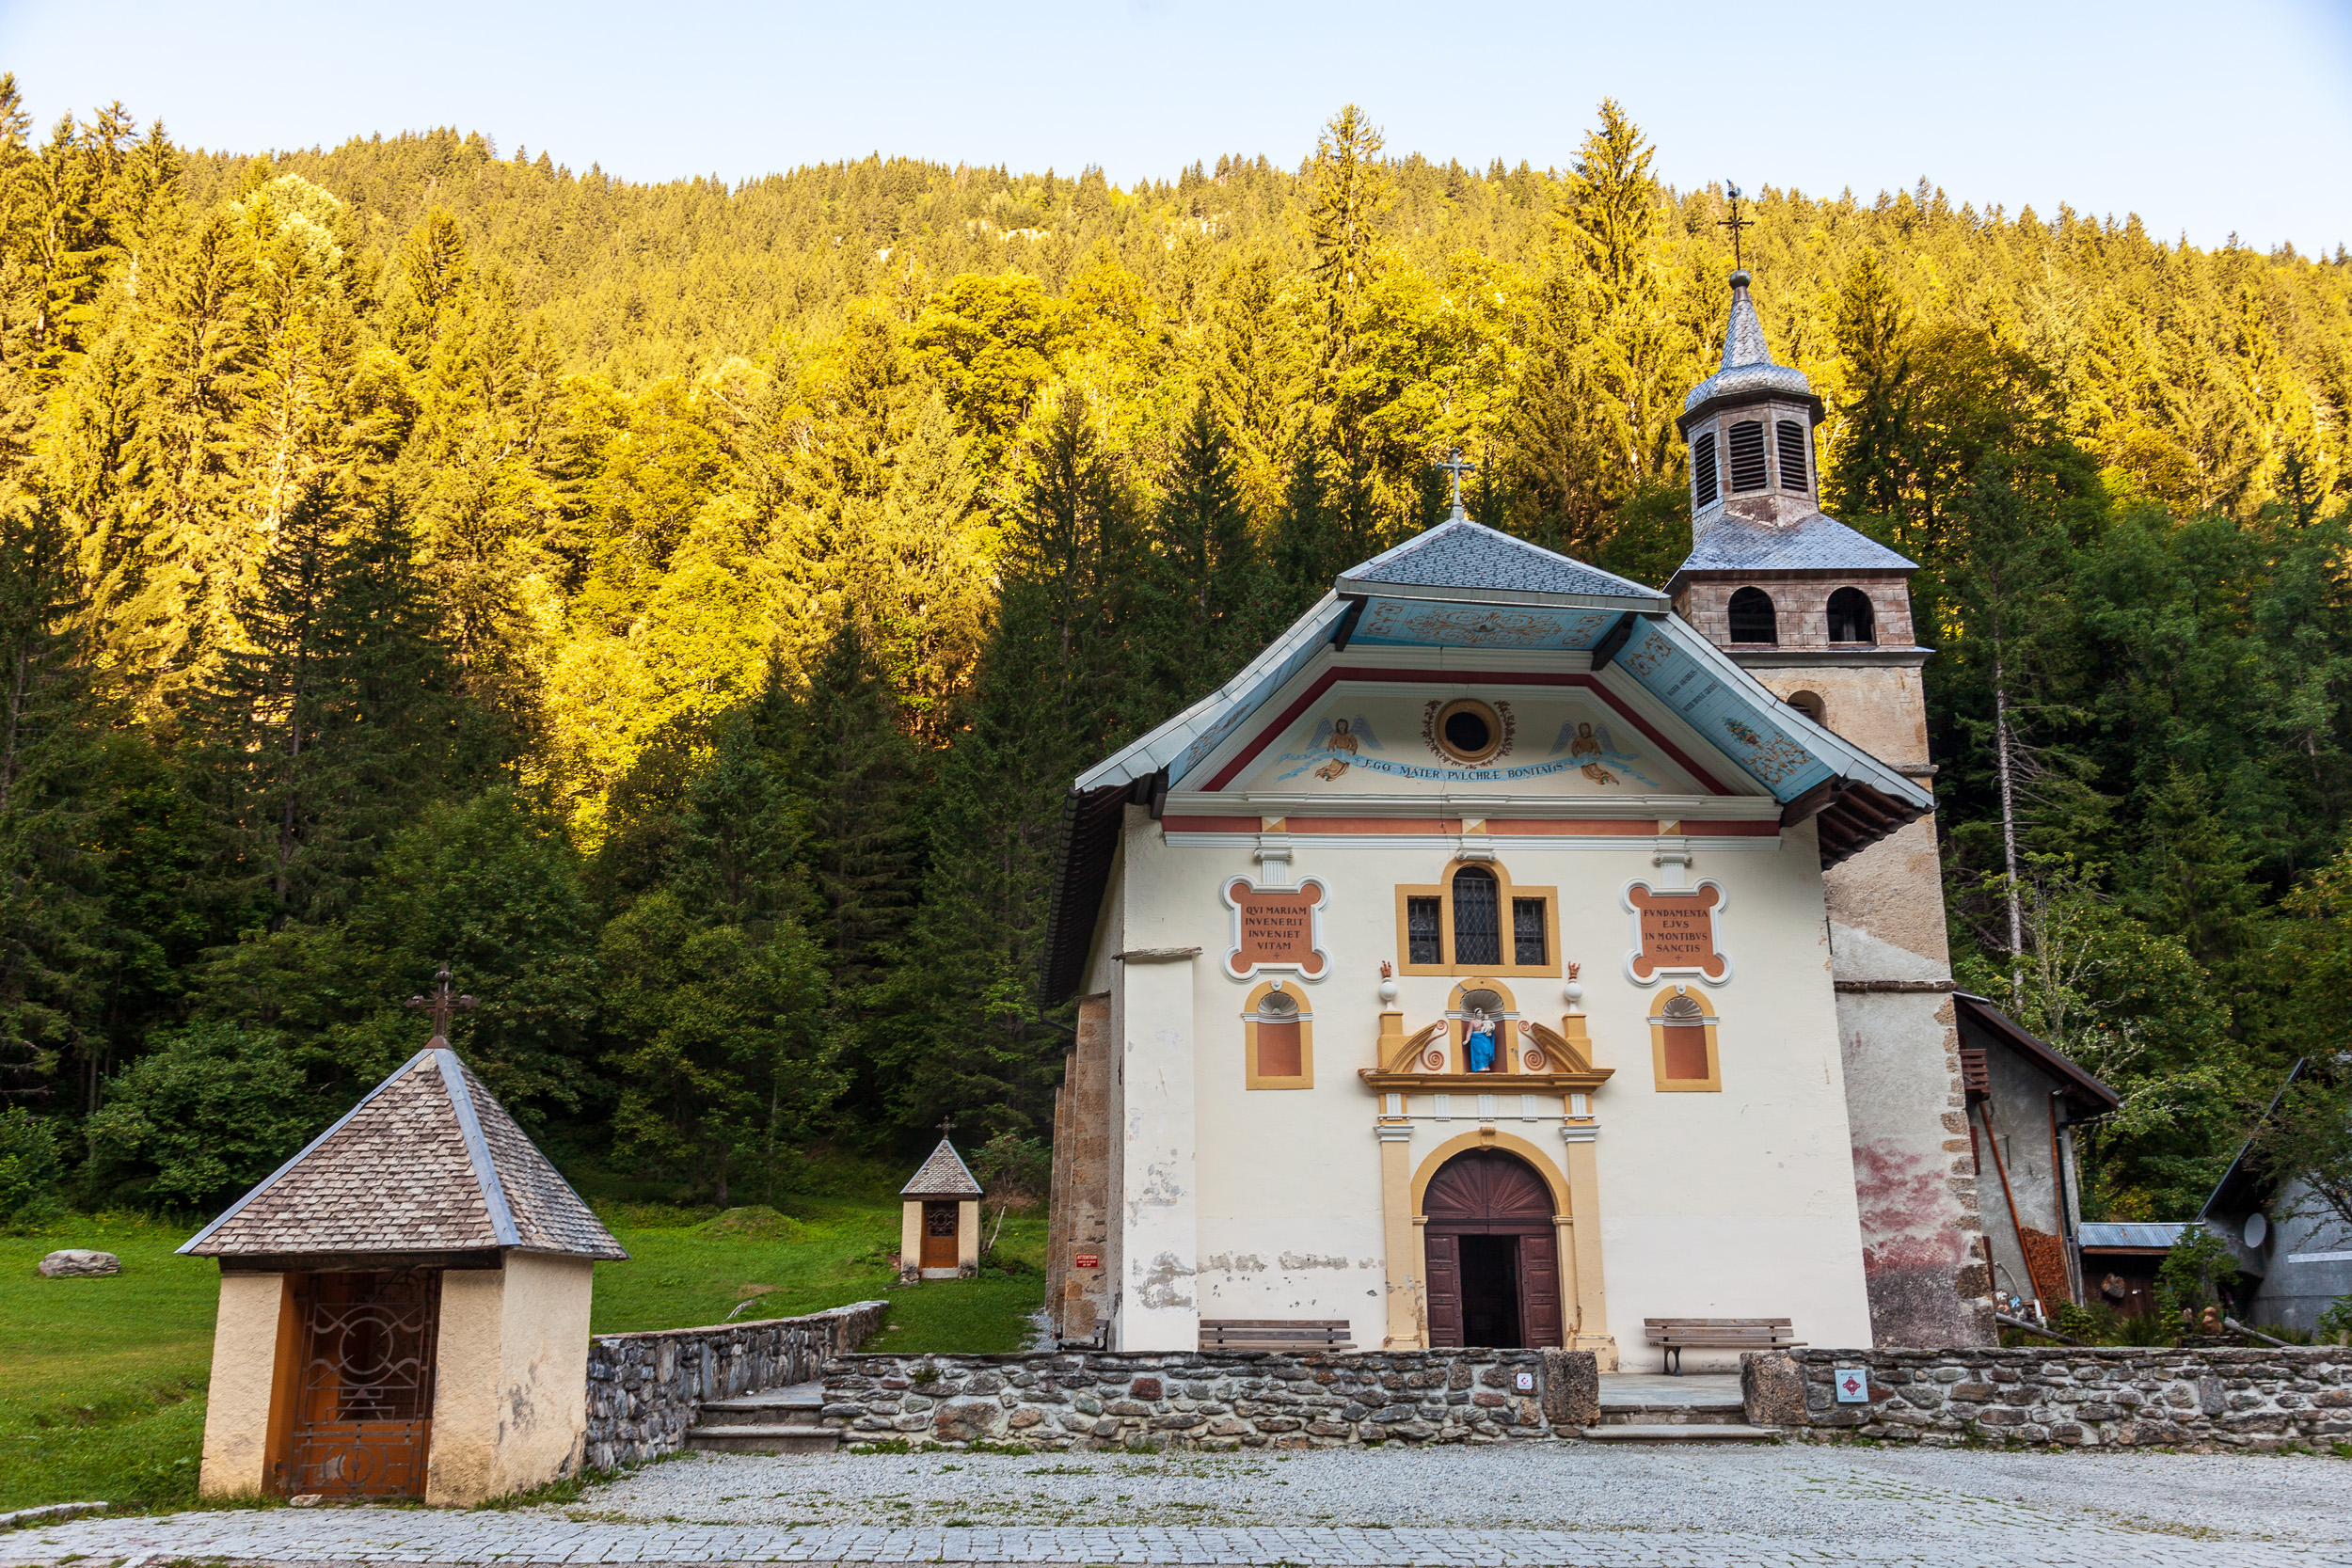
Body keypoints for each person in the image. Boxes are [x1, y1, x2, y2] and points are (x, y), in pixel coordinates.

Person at [1465, 1008, 1498, 1073]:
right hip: (1476, 1039)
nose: (1480, 1014)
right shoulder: (1472, 1022)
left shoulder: (1485, 1021)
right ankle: (1480, 1067)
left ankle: (1486, 1066)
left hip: (1485, 1038)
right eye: (1478, 1013)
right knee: (1479, 1053)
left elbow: (1492, 1026)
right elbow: (1469, 1031)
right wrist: (1467, 1039)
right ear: (1476, 1014)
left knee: (1486, 1051)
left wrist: (1491, 1029)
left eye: (1481, 1013)